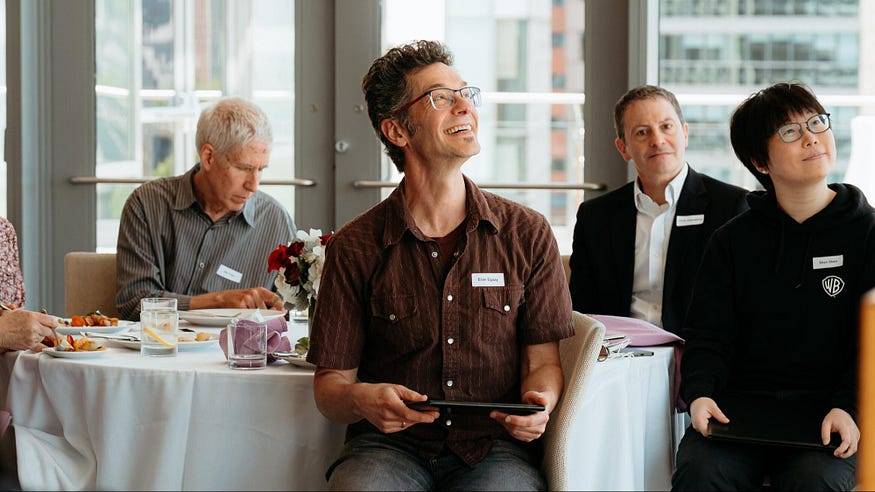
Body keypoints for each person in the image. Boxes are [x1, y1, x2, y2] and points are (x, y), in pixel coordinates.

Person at [306, 40, 574, 491]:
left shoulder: (526, 233)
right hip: (387, 448)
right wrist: (362, 399)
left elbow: (543, 363)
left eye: (465, 93)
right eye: (441, 97)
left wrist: (541, 403)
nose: (464, 105)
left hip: (493, 450)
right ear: (398, 131)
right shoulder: (355, 246)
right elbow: (330, 387)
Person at [672, 82, 875, 490]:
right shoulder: (731, 241)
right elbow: (708, 335)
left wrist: (848, 406)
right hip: (741, 413)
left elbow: (871, 343)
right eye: (790, 131)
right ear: (759, 162)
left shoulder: (868, 232)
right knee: (701, 473)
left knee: (814, 480)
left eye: (816, 122)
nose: (812, 138)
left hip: (832, 415)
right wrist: (699, 394)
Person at [568, 85, 748, 336]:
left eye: (666, 127)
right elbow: (582, 308)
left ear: (685, 133)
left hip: (697, 353)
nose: (657, 140)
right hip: (619, 356)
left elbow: (741, 304)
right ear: (623, 149)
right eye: (642, 132)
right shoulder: (595, 216)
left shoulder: (731, 206)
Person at [115, 97, 296, 320]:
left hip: (236, 354)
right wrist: (220, 302)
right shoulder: (147, 205)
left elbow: (288, 318)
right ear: (209, 157)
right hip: (159, 350)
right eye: (244, 168)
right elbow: (134, 303)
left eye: (261, 169)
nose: (253, 185)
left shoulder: (275, 221)